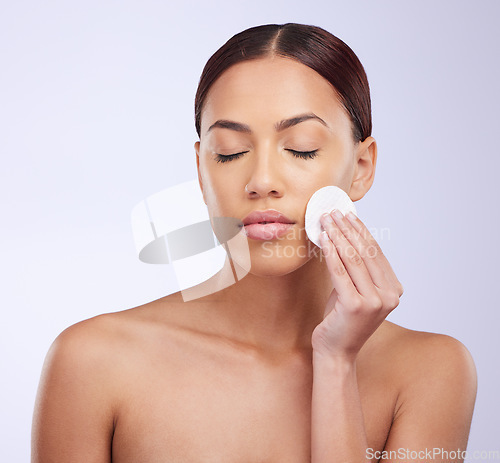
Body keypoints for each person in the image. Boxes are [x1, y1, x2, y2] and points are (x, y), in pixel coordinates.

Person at [31, 23, 477, 462]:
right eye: (229, 152)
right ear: (202, 172)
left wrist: (337, 364)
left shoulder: (432, 372)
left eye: (301, 149)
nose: (262, 181)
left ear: (361, 167)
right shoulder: (93, 363)